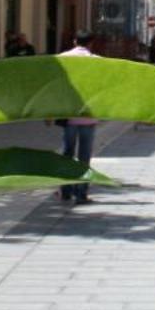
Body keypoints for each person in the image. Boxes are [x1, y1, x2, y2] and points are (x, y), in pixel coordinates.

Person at [59, 32, 98, 203]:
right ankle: (81, 193)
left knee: (67, 153)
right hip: (89, 115)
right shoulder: (98, 61)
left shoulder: (62, 59)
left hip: (68, 115)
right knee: (84, 156)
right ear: (91, 43)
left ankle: (65, 191)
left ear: (75, 41)